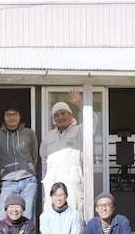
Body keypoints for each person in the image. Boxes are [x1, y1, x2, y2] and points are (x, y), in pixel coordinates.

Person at [40, 89, 98, 223]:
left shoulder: (79, 130)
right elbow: (43, 157)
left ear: (70, 115)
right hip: (52, 176)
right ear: (54, 119)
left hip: (72, 176)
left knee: (74, 210)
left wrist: (80, 104)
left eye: (63, 113)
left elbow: (93, 121)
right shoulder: (49, 136)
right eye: (57, 115)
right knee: (51, 210)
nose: (61, 117)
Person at [0, 101, 38, 222]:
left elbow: (34, 155)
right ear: (3, 117)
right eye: (8, 114)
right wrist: (3, 172)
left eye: (14, 114)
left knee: (27, 215)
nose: (11, 117)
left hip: (28, 180)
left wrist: (29, 167)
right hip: (8, 180)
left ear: (20, 116)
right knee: (1, 215)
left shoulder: (29, 133)